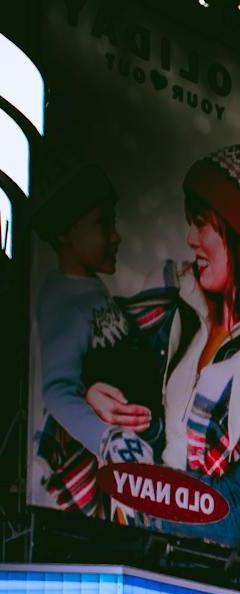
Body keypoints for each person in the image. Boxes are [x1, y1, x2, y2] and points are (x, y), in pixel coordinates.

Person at [97, 140, 240, 551]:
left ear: (239, 237)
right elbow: (172, 440)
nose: (189, 238)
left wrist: (145, 498)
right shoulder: (180, 313)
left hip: (221, 582)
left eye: (202, 224)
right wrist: (116, 406)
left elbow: (235, 514)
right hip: (149, 549)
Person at [29, 155, 131, 519]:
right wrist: (107, 441)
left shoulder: (89, 288)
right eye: (103, 224)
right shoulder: (61, 300)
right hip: (91, 466)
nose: (115, 235)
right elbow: (58, 392)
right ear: (64, 235)